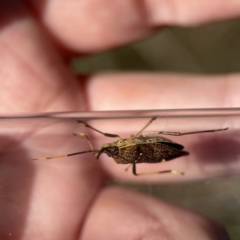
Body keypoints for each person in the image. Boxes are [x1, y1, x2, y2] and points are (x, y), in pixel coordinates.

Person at [1, 0, 237, 239]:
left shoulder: (116, 149)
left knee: (149, 152)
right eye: (105, 149)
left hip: (156, 149)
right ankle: (192, 151)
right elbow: (129, 141)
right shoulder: (119, 149)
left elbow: (120, 141)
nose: (104, 147)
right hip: (155, 148)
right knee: (150, 149)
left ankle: (194, 149)